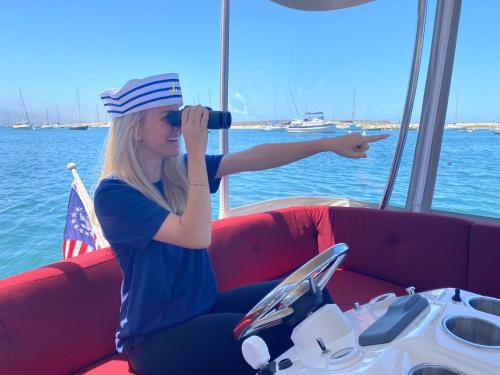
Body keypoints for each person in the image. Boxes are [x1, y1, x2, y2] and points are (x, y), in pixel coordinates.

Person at [94, 73, 389, 375]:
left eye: (180, 117)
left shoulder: (179, 172)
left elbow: (254, 158)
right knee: (256, 345)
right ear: (136, 129)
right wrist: (195, 153)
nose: (180, 127)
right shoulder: (115, 194)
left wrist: (328, 143)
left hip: (203, 309)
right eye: (170, 118)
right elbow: (195, 235)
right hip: (155, 338)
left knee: (309, 300)